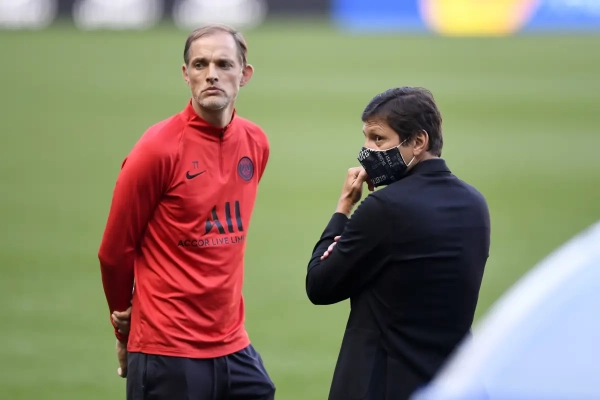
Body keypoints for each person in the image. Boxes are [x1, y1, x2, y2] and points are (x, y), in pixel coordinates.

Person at [97, 24, 275, 400]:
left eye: (223, 64)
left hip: (232, 344)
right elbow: (114, 251)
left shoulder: (255, 142)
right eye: (200, 64)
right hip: (167, 350)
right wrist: (123, 331)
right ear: (185, 74)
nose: (211, 74)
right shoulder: (157, 149)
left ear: (245, 74)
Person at [305, 87, 491, 400]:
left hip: (383, 385)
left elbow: (319, 285)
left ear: (418, 141)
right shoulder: (475, 204)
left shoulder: (384, 208)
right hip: (452, 384)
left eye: (378, 139)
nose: (366, 151)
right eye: (366, 138)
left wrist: (343, 208)